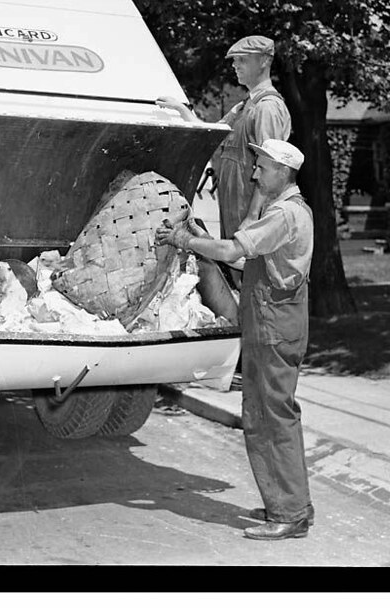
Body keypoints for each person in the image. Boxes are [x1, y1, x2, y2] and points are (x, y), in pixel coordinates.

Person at [155, 138, 314, 541]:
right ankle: (292, 504)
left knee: (270, 419)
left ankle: (289, 513)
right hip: (275, 324)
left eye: (261, 167)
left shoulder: (283, 215)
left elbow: (231, 249)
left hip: (274, 326)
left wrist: (184, 241)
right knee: (272, 416)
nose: (254, 173)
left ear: (282, 171)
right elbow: (246, 255)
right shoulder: (289, 211)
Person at [156, 34, 292, 244]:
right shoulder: (244, 106)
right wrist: (180, 109)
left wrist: (252, 216)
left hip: (250, 215)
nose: (235, 65)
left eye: (243, 60)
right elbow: (211, 132)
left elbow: (270, 166)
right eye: (234, 60)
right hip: (235, 209)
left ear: (264, 61)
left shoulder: (267, 107)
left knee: (250, 273)